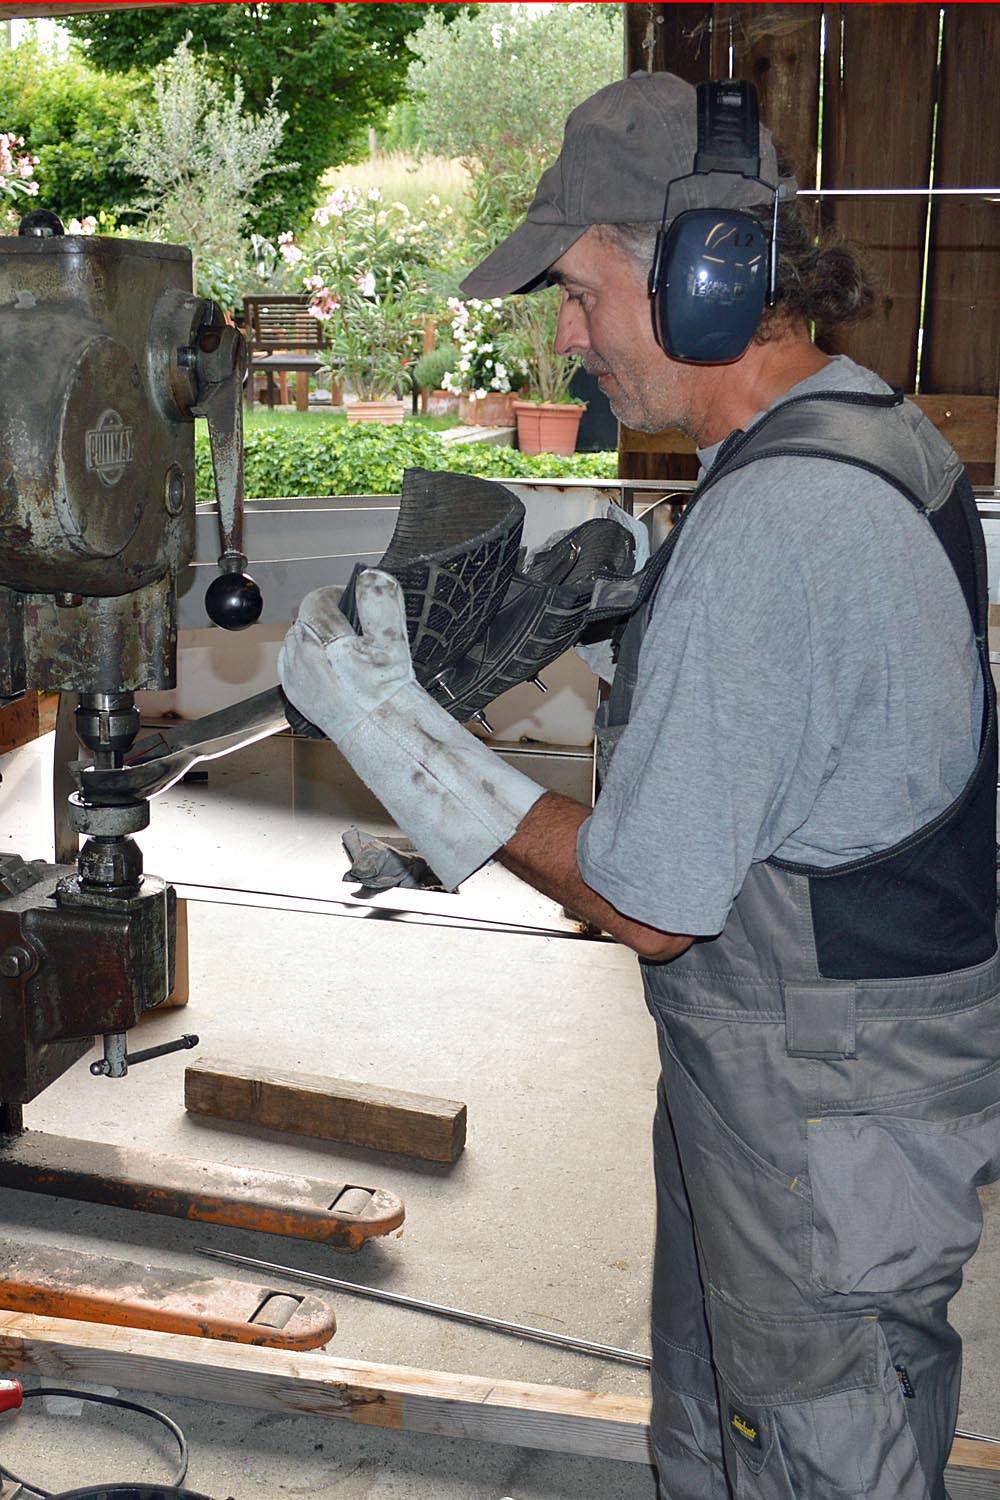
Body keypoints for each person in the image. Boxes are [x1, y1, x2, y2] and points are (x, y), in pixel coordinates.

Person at [279, 71, 1000, 1500]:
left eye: (579, 289)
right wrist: (636, 626)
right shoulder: (864, 429)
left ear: (707, 277)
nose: (566, 338)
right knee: (732, 1418)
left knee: (813, 1445)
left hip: (824, 1092)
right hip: (824, 1070)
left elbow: (651, 900)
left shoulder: (778, 518)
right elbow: (820, 720)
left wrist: (403, 740)